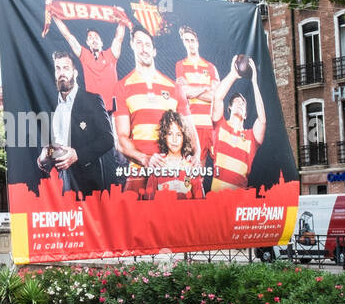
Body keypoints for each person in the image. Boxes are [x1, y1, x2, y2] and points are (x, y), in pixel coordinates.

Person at [113, 29, 200, 191]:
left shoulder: (174, 87)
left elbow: (189, 127)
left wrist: (197, 155)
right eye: (139, 43)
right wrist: (144, 159)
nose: (144, 48)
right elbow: (121, 139)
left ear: (154, 51)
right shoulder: (122, 87)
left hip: (171, 171)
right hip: (139, 171)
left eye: (147, 44)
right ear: (132, 45)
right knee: (132, 215)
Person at [37, 51, 115, 195]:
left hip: (89, 188)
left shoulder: (92, 100)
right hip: (61, 186)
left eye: (66, 68)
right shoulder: (52, 106)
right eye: (58, 68)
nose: (61, 73)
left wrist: (78, 154)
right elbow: (53, 146)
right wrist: (43, 157)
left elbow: (108, 139)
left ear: (75, 72)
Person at [46, 8, 127, 110]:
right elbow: (68, 36)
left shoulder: (111, 54)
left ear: (101, 42)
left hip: (113, 110)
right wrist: (54, 15)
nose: (94, 39)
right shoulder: (85, 56)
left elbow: (119, 38)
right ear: (87, 43)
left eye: (96, 37)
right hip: (94, 109)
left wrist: (121, 18)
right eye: (90, 37)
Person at [209, 55, 267, 193]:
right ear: (229, 109)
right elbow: (217, 97)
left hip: (239, 201)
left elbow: (262, 119)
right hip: (216, 201)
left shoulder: (250, 137)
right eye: (235, 102)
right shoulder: (221, 126)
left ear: (246, 114)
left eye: (242, 103)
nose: (239, 104)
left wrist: (254, 81)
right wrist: (233, 74)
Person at [173, 26, 220, 164]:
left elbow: (216, 97)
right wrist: (206, 87)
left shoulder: (210, 67)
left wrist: (191, 90)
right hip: (191, 124)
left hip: (210, 124)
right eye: (187, 40)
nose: (190, 43)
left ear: (197, 42)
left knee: (213, 169)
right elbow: (183, 92)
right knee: (193, 169)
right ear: (183, 43)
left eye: (192, 40)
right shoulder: (180, 65)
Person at [144, 110, 205, 199]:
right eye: (170, 134)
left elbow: (200, 200)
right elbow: (148, 200)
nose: (174, 139)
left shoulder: (191, 165)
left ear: (184, 137)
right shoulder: (158, 164)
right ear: (164, 136)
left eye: (179, 135)